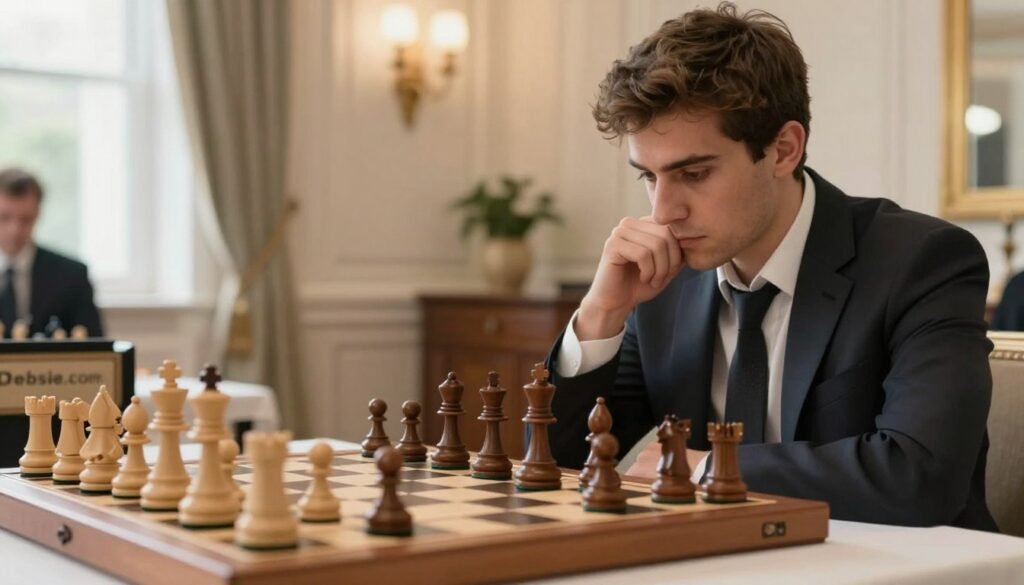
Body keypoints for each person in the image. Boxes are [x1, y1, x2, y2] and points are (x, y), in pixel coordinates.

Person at [547, 3, 996, 531]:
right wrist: (601, 315)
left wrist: (710, 468)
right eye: (648, 176)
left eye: (693, 173)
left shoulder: (922, 261)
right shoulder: (662, 280)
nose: (662, 211)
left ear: (783, 150)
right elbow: (574, 460)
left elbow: (920, 476)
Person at [0, 168, 104, 337]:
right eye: (4, 217)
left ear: (38, 214)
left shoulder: (72, 275)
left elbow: (95, 347)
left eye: (25, 219)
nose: (15, 229)